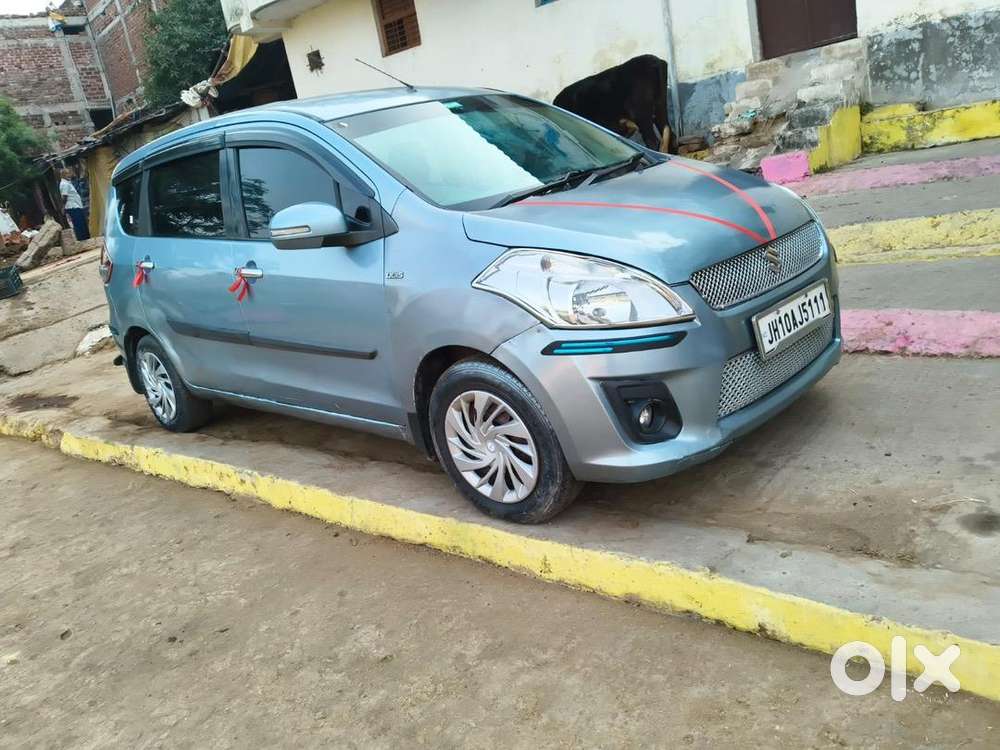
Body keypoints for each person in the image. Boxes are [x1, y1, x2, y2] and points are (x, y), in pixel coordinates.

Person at [60, 168, 90, 241]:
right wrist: (63, 207)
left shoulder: (67, 183)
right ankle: (82, 239)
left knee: (82, 222)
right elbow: (64, 197)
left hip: (76, 205)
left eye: (69, 173)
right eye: (67, 174)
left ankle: (86, 237)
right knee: (79, 224)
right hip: (73, 207)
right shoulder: (64, 184)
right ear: (63, 175)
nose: (69, 175)